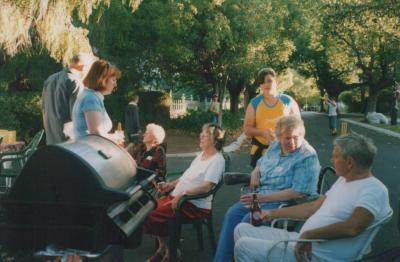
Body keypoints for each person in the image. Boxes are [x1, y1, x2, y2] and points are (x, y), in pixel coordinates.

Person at [234, 132, 391, 262]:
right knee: (241, 229)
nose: (331, 160)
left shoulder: (373, 190)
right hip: (304, 241)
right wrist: (271, 213)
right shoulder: (344, 180)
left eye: (335, 156)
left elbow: (352, 228)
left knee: (244, 246)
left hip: (316, 254)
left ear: (349, 162)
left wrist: (309, 235)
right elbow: (311, 208)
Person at [214, 116, 320, 262]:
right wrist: (255, 171)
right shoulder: (276, 145)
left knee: (248, 220)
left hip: (286, 201)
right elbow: (261, 161)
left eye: (296, 137)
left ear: (302, 135)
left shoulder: (307, 156)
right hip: (261, 195)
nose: (292, 142)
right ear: (279, 136)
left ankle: (245, 255)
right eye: (287, 138)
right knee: (232, 214)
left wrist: (262, 198)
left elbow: (299, 191)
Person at [143, 123, 226, 262]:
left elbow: (206, 187)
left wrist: (183, 194)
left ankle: (170, 252)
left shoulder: (217, 160)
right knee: (146, 210)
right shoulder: (201, 155)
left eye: (205, 134)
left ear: (215, 140)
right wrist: (170, 185)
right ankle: (165, 248)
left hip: (193, 205)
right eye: (202, 133)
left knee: (151, 214)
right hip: (179, 198)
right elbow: (185, 177)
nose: (201, 136)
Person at [243, 68, 301, 168]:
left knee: (284, 183)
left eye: (269, 80)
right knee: (260, 182)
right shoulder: (254, 103)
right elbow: (247, 129)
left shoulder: (288, 101)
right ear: (260, 85)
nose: (266, 84)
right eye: (262, 82)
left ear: (275, 81)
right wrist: (262, 132)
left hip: (284, 153)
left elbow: (299, 127)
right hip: (260, 154)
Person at [42, 53, 93, 145]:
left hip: (51, 141)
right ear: (84, 67)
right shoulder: (75, 82)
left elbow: (44, 113)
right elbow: (78, 117)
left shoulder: (49, 79)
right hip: (70, 143)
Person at [72, 60, 121, 140]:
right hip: (88, 150)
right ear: (103, 79)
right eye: (113, 80)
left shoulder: (90, 95)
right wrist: (115, 138)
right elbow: (95, 133)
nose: (115, 84)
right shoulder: (91, 98)